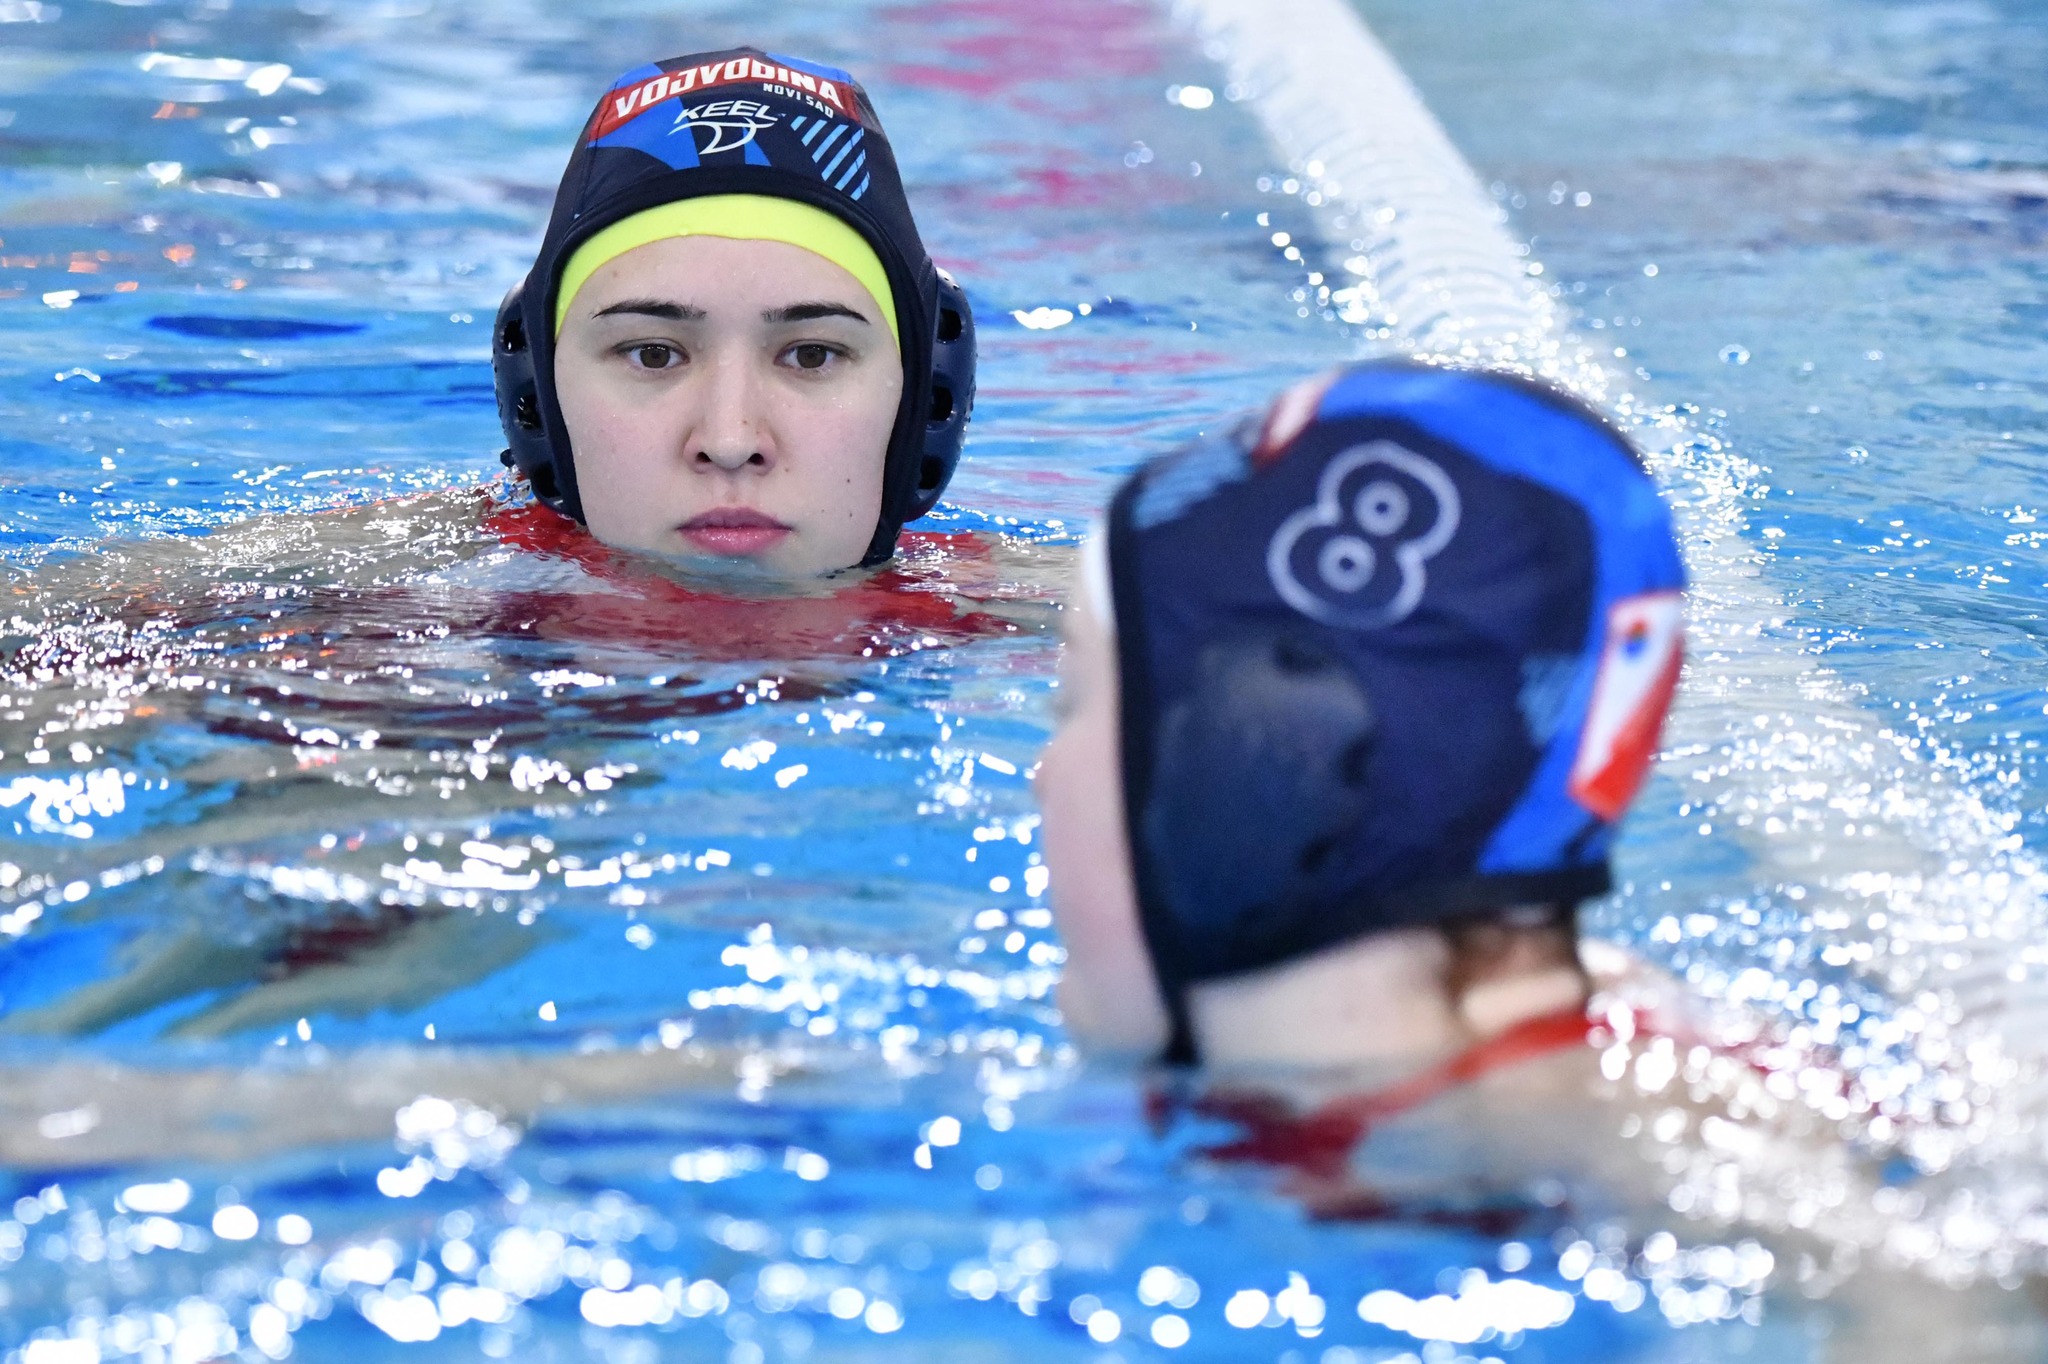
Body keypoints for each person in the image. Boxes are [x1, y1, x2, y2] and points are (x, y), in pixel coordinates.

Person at [1035, 357, 1687, 1071]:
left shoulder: (1584, 1137)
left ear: (1247, 768)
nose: (1041, 777)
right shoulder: (1571, 1068)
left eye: (1070, 703)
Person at [491, 48, 977, 577]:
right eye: (652, 355)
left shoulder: (1022, 610)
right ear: (539, 401)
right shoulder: (433, 591)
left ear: (923, 401)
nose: (730, 444)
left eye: (813, 355)